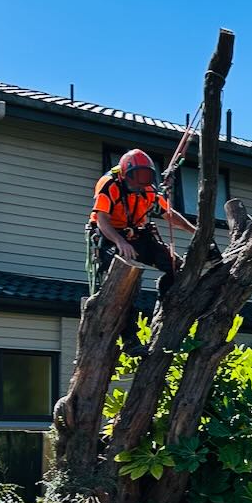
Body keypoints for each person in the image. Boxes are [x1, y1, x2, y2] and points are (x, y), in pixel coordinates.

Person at [86, 148, 197, 352]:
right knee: (122, 288)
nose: (138, 185)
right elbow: (101, 220)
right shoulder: (109, 184)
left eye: (143, 180)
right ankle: (130, 339)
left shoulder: (148, 190)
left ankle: (166, 297)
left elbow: (168, 214)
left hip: (138, 233)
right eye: (135, 180)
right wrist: (120, 242)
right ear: (125, 174)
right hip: (110, 235)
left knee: (176, 267)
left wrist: (194, 231)